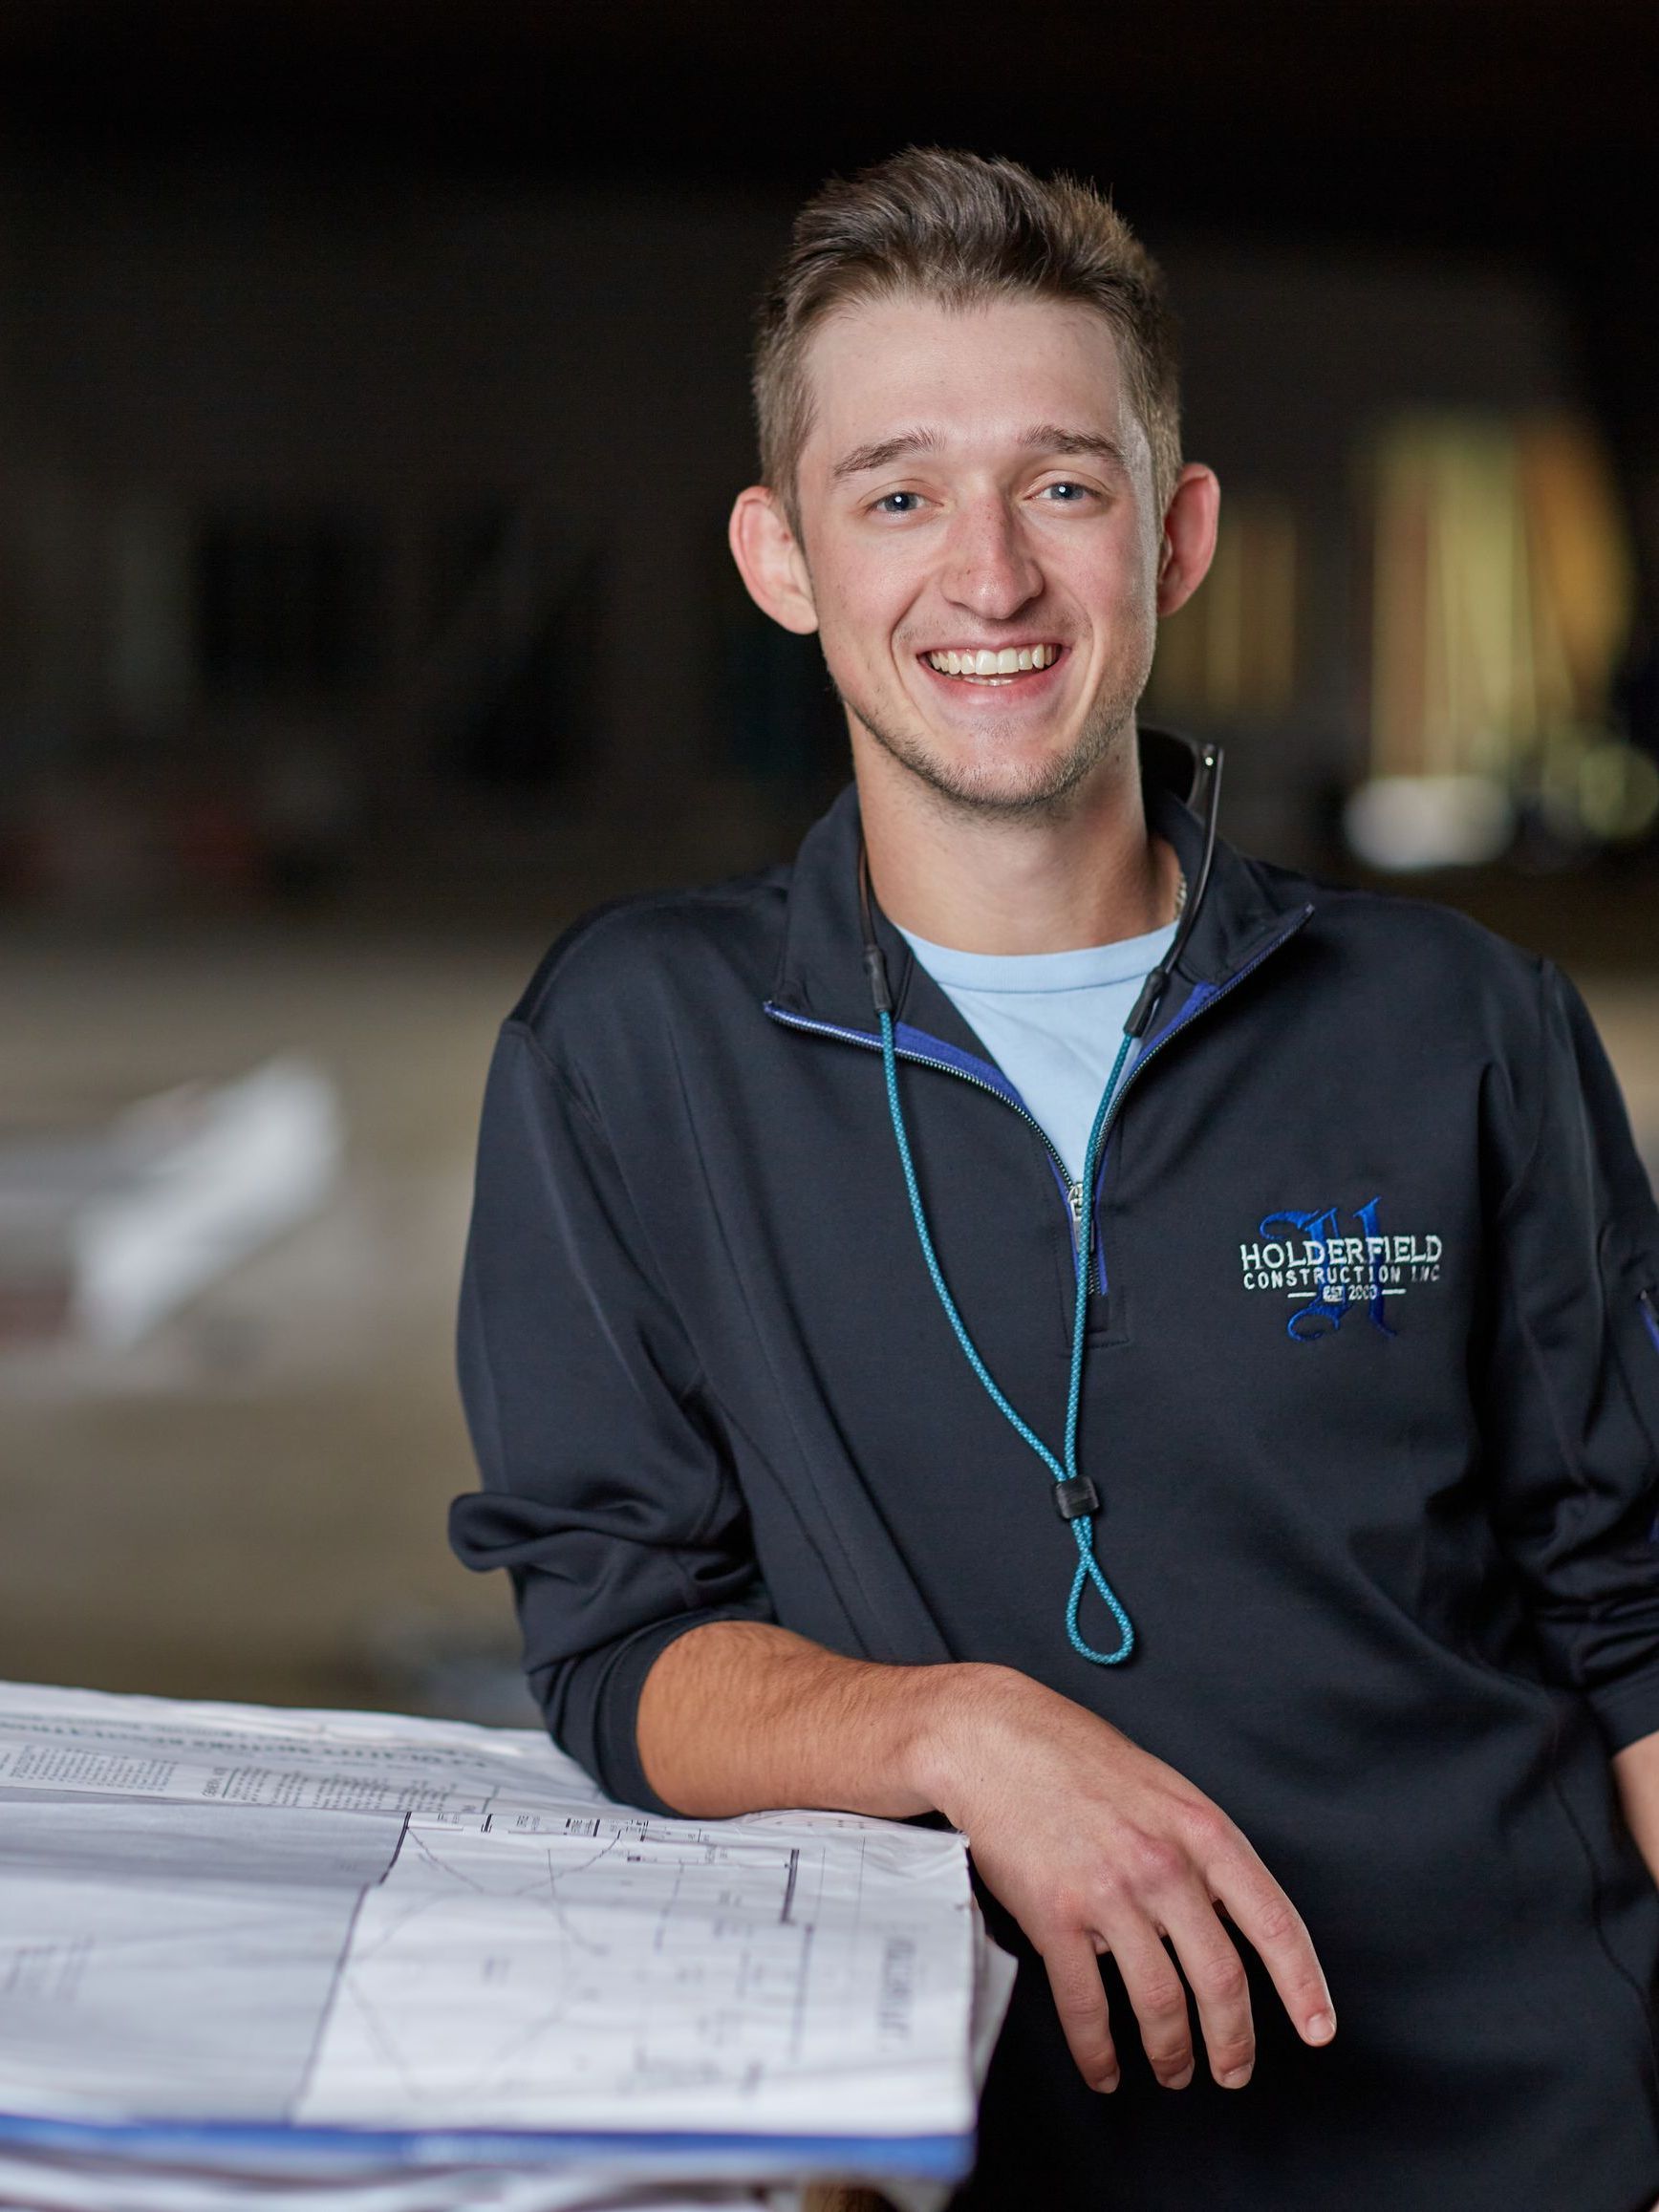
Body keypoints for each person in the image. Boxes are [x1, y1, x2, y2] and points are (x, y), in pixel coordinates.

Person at [449, 149, 1659, 2211]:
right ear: (781, 555)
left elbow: (1633, 1614)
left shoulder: (1457, 1023)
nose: (988, 578)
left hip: (1524, 2138)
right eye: (897, 492)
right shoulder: (634, 1049)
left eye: (1062, 485)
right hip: (984, 2154)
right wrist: (953, 1730)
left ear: (1174, 535)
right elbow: (615, 1645)